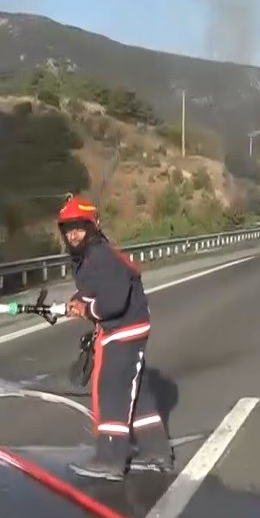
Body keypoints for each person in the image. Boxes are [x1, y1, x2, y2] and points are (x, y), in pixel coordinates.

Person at [57, 196, 175, 481]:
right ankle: (156, 451)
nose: (73, 235)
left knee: (111, 387)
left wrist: (87, 310)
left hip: (124, 328)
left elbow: (113, 301)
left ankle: (110, 459)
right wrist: (77, 302)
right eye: (68, 229)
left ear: (91, 227)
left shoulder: (99, 256)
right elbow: (93, 288)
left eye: (78, 228)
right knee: (139, 392)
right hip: (124, 327)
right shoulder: (88, 257)